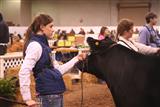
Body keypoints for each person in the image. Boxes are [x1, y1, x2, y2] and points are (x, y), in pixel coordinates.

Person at [18, 14, 86, 107]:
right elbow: (24, 71)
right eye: (51, 26)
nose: (53, 29)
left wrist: (76, 59)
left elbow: (58, 70)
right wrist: (27, 98)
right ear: (42, 27)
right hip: (48, 97)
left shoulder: (44, 46)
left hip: (54, 94)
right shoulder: (35, 46)